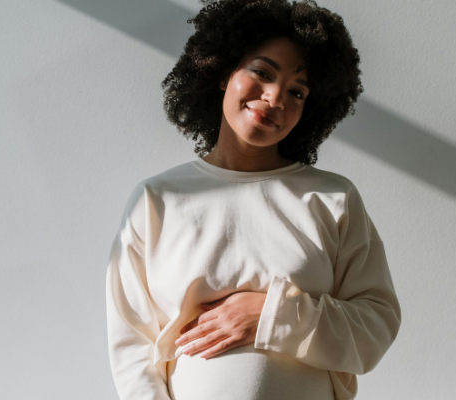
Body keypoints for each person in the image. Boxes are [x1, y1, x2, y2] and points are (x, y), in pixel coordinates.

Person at [105, 1, 401, 399]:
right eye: (262, 72)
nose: (276, 97)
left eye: (297, 91)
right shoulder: (157, 200)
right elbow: (133, 348)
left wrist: (271, 315)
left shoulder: (332, 199)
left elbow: (375, 327)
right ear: (224, 72)